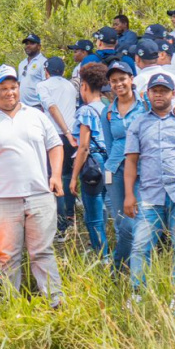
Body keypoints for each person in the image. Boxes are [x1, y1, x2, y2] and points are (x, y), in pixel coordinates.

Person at [0, 65, 65, 307]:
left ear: (19, 88)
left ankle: (55, 302)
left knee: (42, 252)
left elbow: (55, 145)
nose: (9, 93)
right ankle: (10, 306)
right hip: (1, 199)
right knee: (7, 255)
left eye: (13, 87)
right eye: (3, 88)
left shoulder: (36, 116)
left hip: (39, 195)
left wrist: (56, 175)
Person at [122, 74, 175, 303]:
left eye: (164, 90)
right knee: (140, 245)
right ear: (148, 94)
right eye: (155, 90)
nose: (159, 94)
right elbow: (132, 161)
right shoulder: (139, 123)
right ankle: (137, 294)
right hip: (150, 193)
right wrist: (128, 195)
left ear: (173, 94)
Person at [100, 62, 144, 276]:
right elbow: (109, 145)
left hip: (142, 171)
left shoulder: (145, 106)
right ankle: (122, 272)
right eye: (114, 81)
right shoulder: (108, 112)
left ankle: (123, 269)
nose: (118, 84)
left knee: (138, 222)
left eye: (122, 79)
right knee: (122, 223)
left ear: (131, 79)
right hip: (115, 171)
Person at [68, 63, 110, 256]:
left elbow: (83, 147)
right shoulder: (109, 106)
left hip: (92, 164)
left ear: (84, 85)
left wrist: (73, 177)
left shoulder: (86, 111)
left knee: (93, 216)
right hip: (109, 164)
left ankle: (102, 255)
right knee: (107, 205)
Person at [37, 57, 79, 239]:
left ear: (46, 71)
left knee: (55, 178)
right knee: (68, 175)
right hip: (71, 136)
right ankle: (70, 215)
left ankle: (60, 225)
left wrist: (65, 131)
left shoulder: (43, 86)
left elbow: (52, 108)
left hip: (55, 135)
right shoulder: (70, 86)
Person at [17, 34, 48, 110]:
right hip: (22, 106)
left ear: (39, 46)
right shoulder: (22, 63)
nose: (28, 46)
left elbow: (46, 85)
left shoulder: (44, 62)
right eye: (26, 44)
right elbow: (19, 84)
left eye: (32, 43)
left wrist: (43, 106)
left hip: (36, 106)